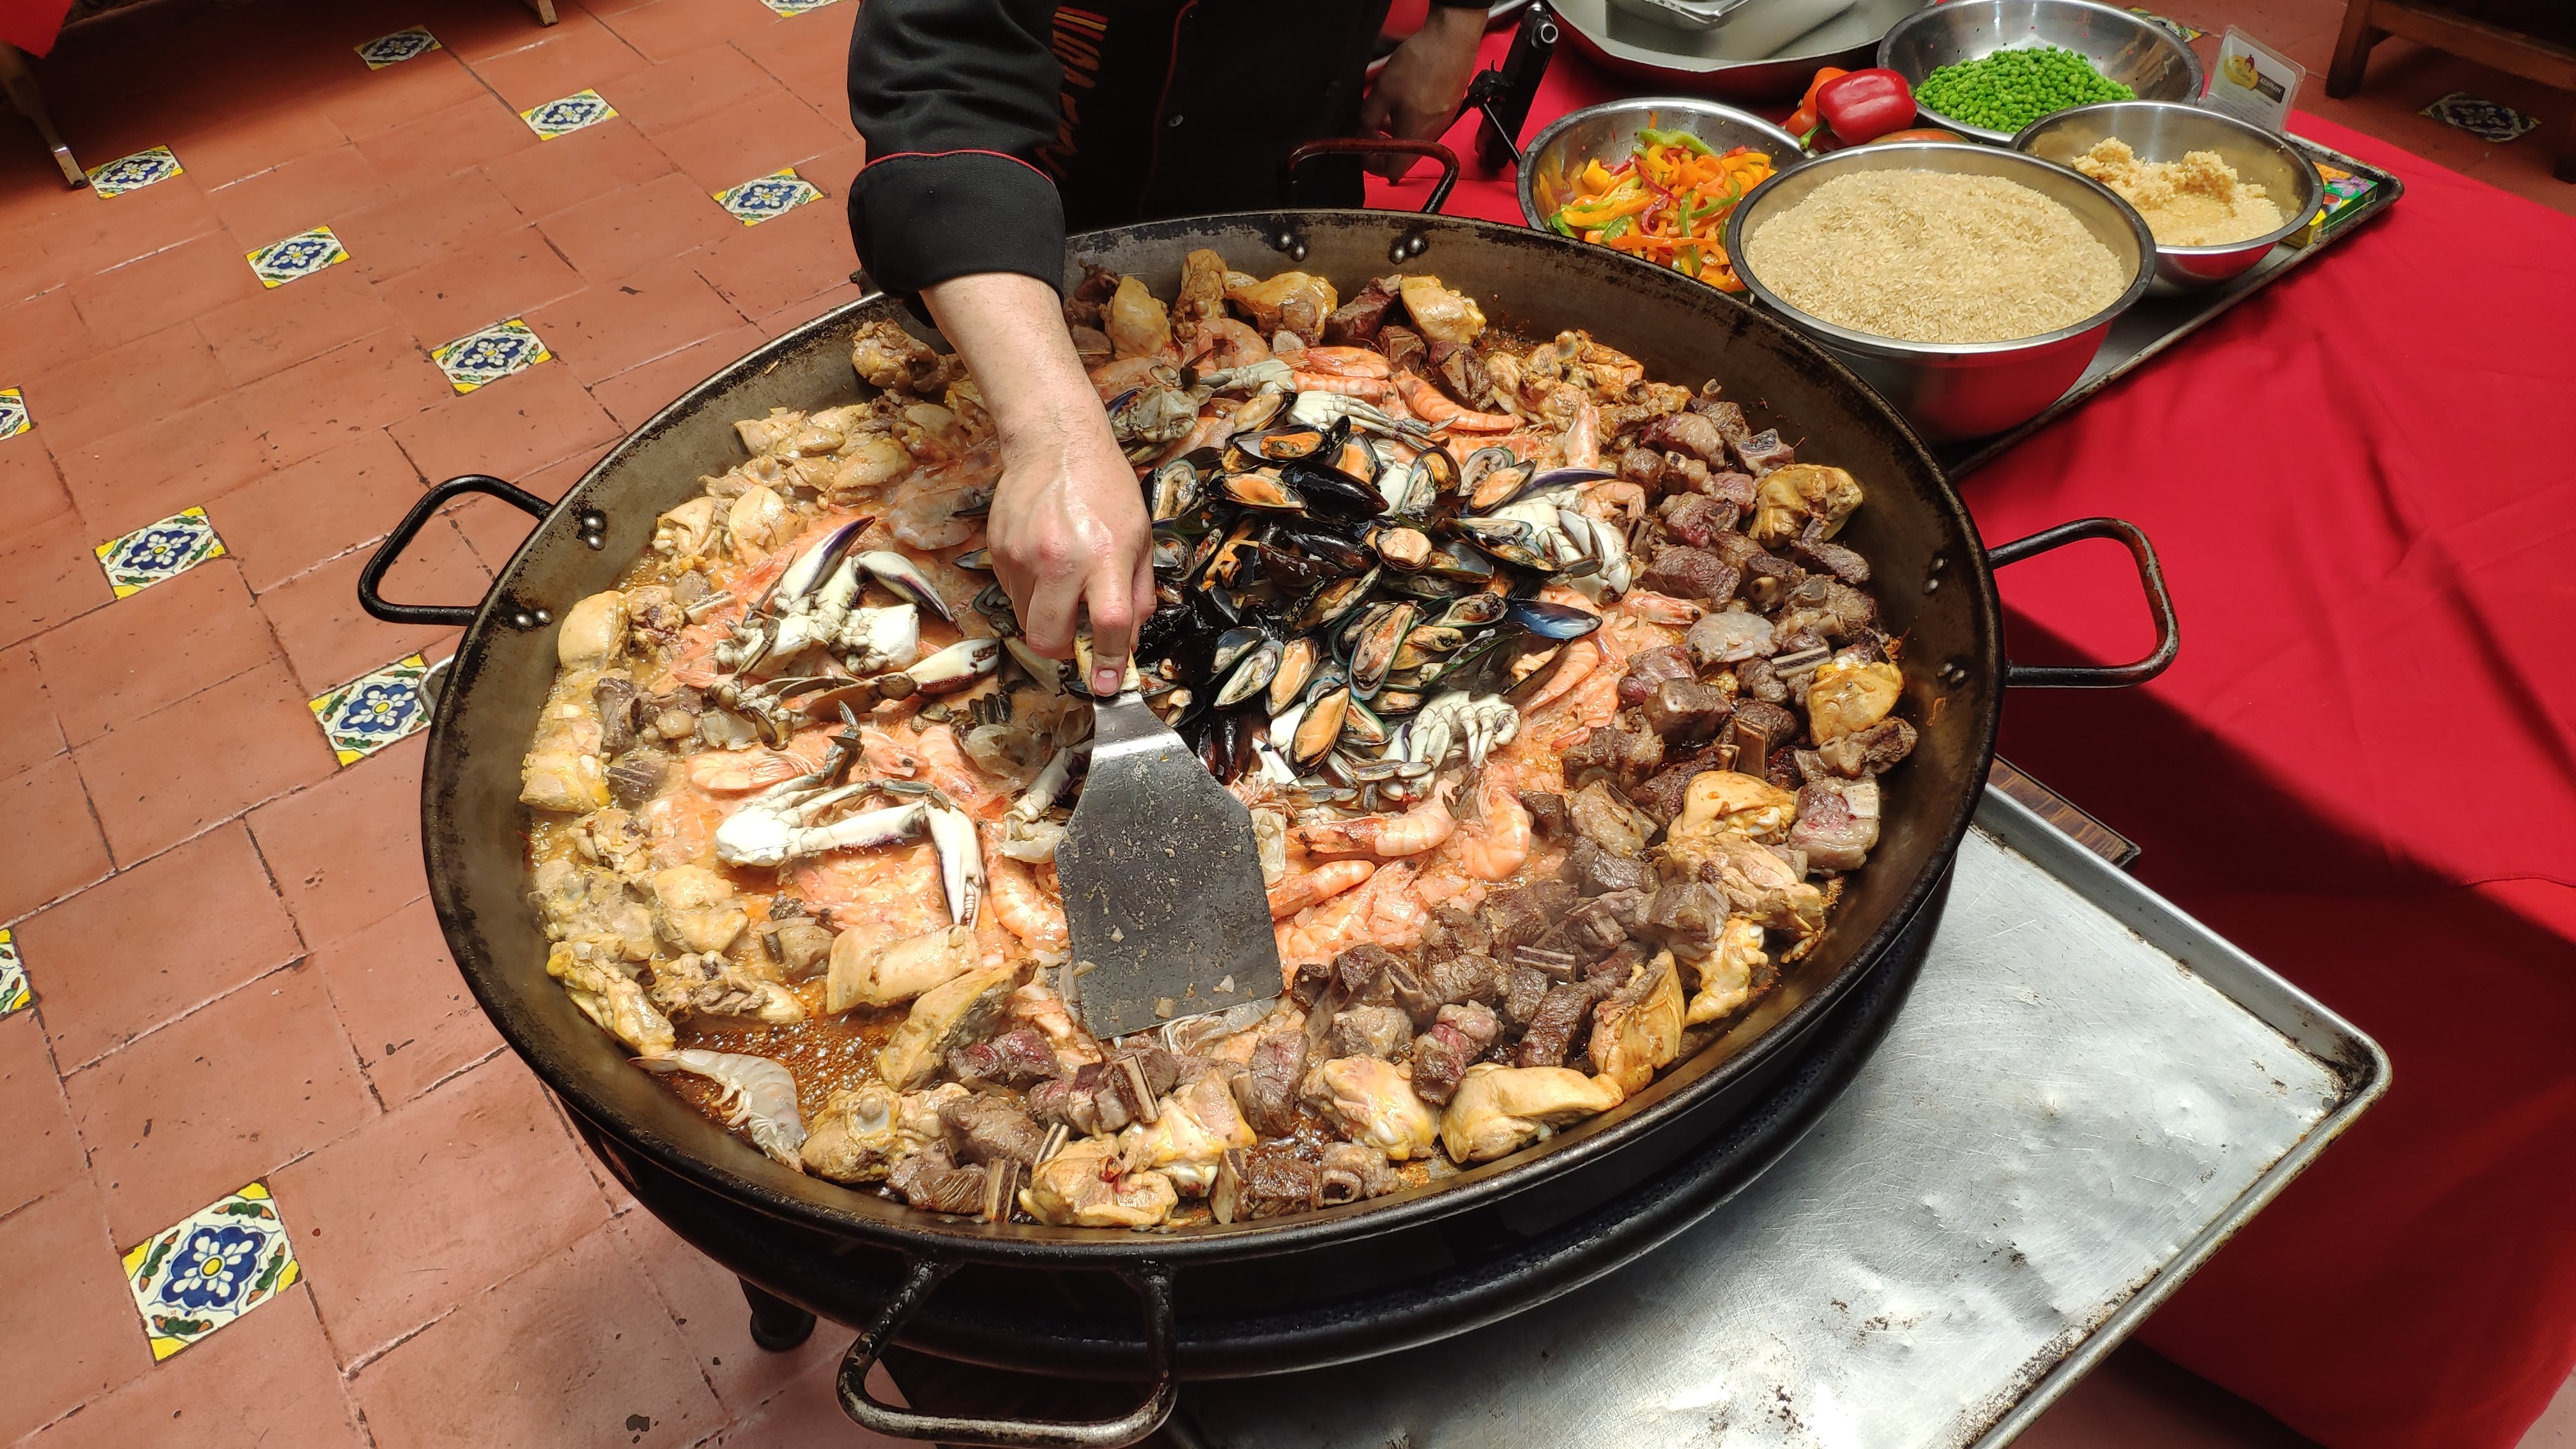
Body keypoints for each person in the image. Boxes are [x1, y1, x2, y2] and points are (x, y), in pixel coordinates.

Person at [844, 0, 1492, 696]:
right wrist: (1054, 434)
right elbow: (944, 79)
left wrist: (1457, 21)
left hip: (1301, 129)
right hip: (1054, 204)